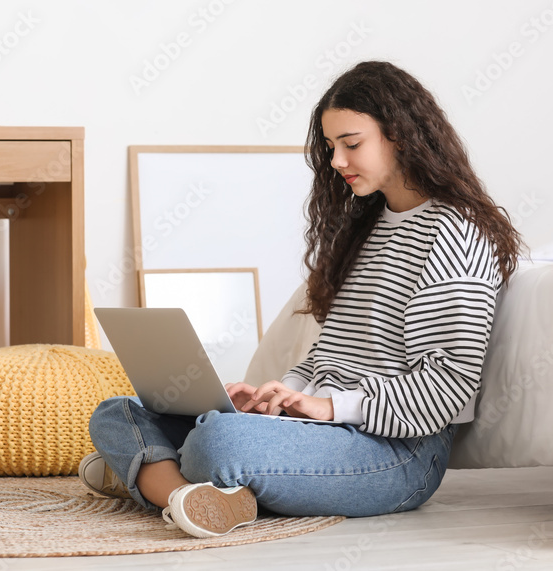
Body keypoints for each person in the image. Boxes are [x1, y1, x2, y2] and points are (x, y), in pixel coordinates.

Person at [82, 60, 524, 539]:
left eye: (351, 144)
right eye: (332, 147)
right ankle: (186, 496)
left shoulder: (456, 234)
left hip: (400, 452)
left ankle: (150, 477)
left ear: (401, 134)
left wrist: (330, 407)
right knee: (117, 412)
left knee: (216, 439)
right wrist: (281, 394)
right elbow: (329, 356)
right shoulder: (367, 227)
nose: (337, 161)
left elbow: (447, 389)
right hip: (325, 428)